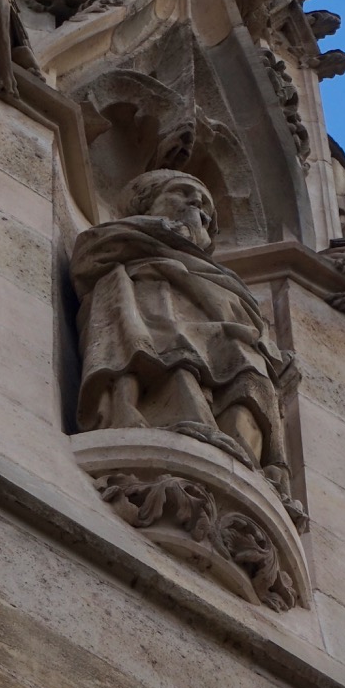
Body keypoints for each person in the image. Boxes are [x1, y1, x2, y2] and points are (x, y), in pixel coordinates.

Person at [71, 170, 295, 488]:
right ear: (145, 203)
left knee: (248, 362)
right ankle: (169, 417)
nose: (196, 204)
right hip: (154, 306)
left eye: (204, 202)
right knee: (165, 329)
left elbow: (238, 313)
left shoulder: (223, 277)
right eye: (181, 192)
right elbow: (87, 259)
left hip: (219, 335)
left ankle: (245, 457)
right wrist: (161, 245)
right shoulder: (121, 237)